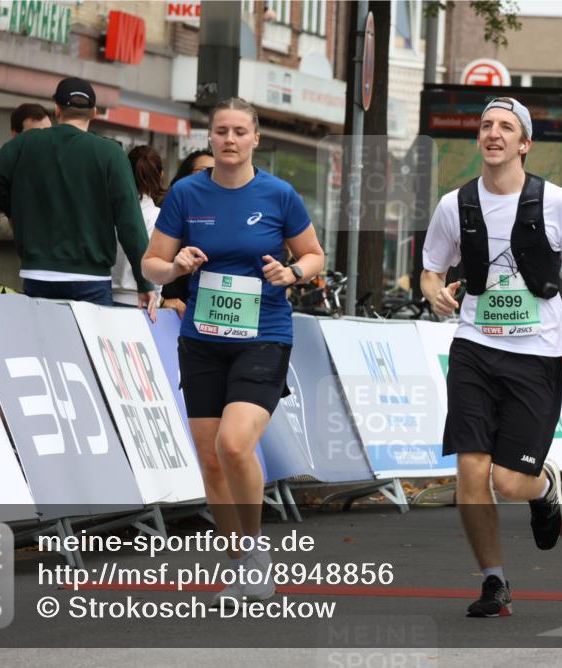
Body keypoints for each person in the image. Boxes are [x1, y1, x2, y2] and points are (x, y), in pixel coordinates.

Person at [141, 97, 325, 607]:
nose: (229, 139)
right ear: (211, 137)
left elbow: (313, 254)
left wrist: (292, 273)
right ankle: (241, 563)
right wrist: (175, 266)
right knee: (211, 460)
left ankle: (257, 552)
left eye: (239, 131)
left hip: (264, 333)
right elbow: (150, 265)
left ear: (255, 138)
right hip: (201, 339)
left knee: (235, 443)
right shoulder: (186, 193)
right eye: (221, 131)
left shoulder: (278, 195)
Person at [420, 97, 562, 618]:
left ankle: (543, 489)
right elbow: (431, 268)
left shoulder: (557, 202)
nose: (493, 133)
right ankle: (493, 581)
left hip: (536, 352)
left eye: (505, 127)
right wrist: (432, 291)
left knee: (509, 482)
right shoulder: (455, 204)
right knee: (471, 474)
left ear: (524, 143)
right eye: (485, 125)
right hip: (474, 345)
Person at [0, 77, 156, 314]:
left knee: (43, 347)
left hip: (38, 274)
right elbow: (131, 225)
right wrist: (144, 281)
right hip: (91, 278)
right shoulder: (111, 153)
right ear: (94, 113)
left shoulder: (28, 143)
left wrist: (15, 208)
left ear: (57, 108)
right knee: (88, 349)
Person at [0, 103, 52, 292]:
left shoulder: (52, 170)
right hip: (8, 282)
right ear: (15, 135)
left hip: (44, 282)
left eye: (48, 133)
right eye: (35, 134)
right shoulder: (0, 170)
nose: (44, 140)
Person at [161, 149, 214, 316]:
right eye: (203, 170)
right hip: (171, 311)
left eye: (215, 171)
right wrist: (161, 300)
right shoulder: (168, 209)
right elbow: (150, 261)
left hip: (206, 313)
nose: (210, 177)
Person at [112, 146, 165, 306]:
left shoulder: (110, 210)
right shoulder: (158, 216)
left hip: (106, 296)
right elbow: (157, 268)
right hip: (144, 301)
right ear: (160, 175)